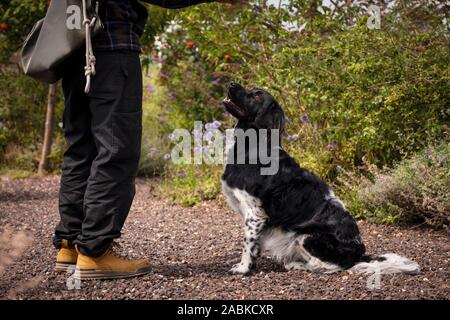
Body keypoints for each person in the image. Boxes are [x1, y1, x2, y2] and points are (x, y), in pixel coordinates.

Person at [53, 0, 242, 280]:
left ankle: (70, 245)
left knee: (82, 148)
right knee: (116, 150)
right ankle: (94, 252)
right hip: (110, 46)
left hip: (72, 47)